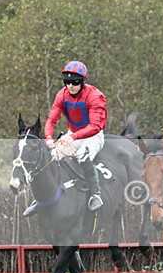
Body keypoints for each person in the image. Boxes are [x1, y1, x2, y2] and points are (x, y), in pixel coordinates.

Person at [23, 60, 107, 216]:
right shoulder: (61, 95)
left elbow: (95, 126)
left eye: (74, 82)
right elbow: (51, 119)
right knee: (52, 157)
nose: (70, 86)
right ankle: (41, 199)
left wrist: (73, 136)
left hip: (93, 136)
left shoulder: (95, 96)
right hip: (73, 134)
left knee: (82, 156)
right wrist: (49, 138)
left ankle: (96, 195)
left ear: (82, 81)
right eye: (67, 82)